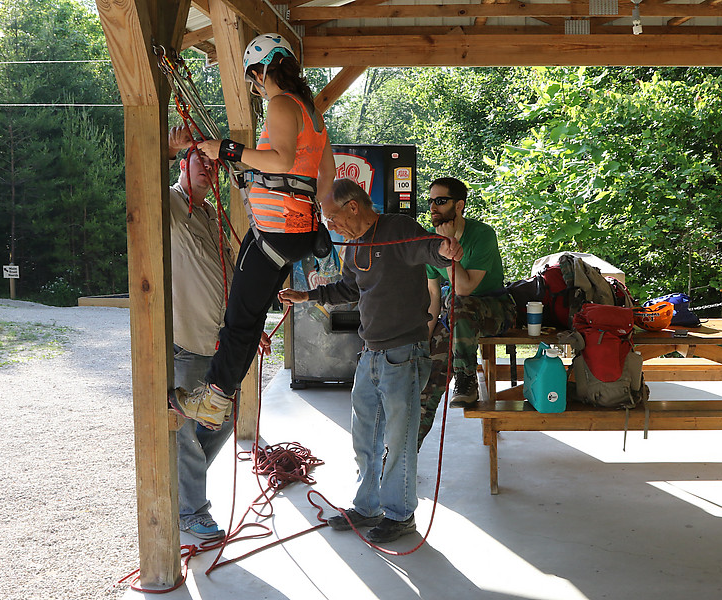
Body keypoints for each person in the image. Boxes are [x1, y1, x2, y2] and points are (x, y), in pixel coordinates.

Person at [278, 179, 463, 544]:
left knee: (400, 439)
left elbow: (427, 248)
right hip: (370, 353)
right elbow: (349, 288)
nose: (329, 225)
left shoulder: (396, 228)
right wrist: (307, 295)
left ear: (352, 206)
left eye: (332, 217)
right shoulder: (354, 246)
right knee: (365, 437)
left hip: (403, 354)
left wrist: (445, 251)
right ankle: (367, 506)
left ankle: (400, 515)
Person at [168, 33, 336, 431]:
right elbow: (324, 177)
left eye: (253, 78)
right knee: (250, 315)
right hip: (295, 232)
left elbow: (280, 159)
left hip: (273, 233)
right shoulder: (312, 115)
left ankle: (214, 398)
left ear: (262, 71)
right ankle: (218, 396)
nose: (256, 87)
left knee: (239, 319)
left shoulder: (281, 103)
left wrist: (231, 151)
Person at [167, 125, 235, 540]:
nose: (209, 168)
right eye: (200, 160)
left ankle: (181, 489)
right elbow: (140, 189)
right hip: (187, 342)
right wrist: (164, 144)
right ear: (181, 164)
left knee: (223, 419)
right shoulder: (169, 204)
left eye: (213, 163)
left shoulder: (211, 213)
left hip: (221, 341)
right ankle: (191, 509)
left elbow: (225, 276)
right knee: (188, 434)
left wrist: (245, 330)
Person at [417, 177, 515, 448]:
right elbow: (433, 296)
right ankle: (403, 453)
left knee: (459, 303)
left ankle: (465, 378)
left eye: (440, 201)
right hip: (456, 317)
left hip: (494, 309)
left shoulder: (482, 234)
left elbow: (465, 287)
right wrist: (424, 341)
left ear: (459, 205)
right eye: (430, 202)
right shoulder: (429, 240)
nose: (433, 208)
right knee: (430, 372)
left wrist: (447, 245)